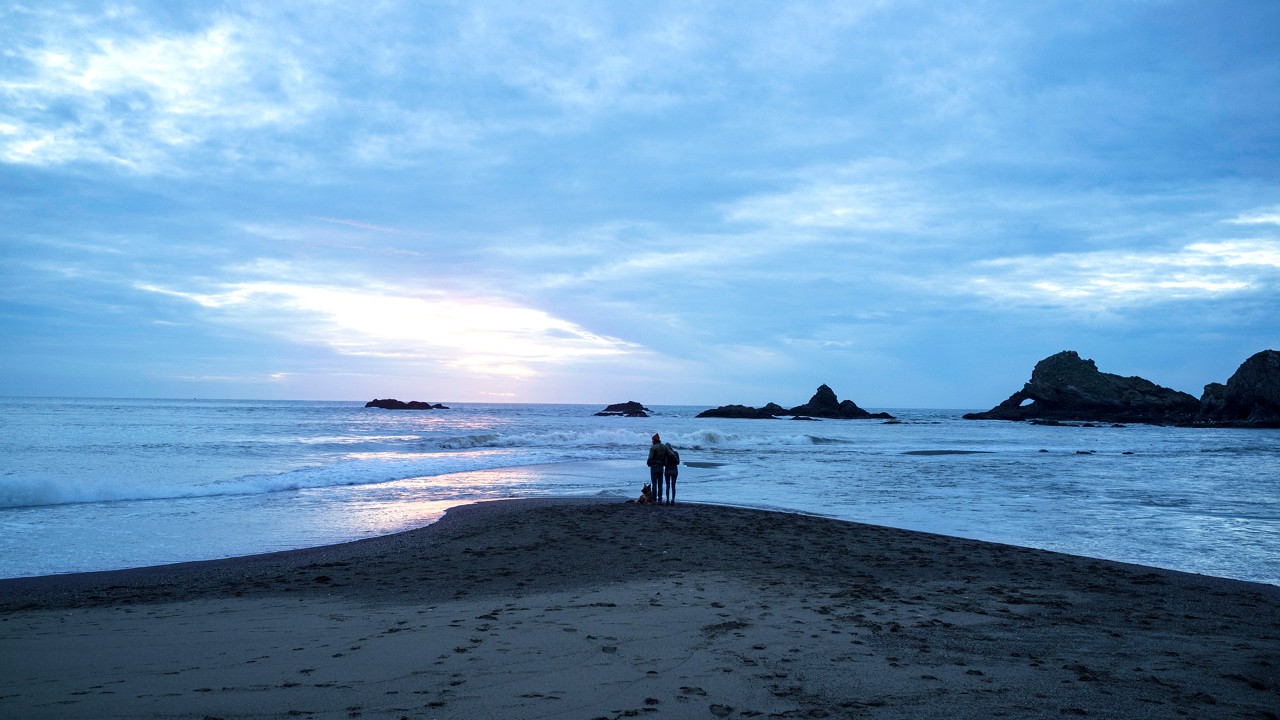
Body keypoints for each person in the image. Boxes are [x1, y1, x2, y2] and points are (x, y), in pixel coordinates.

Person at [646, 433, 668, 503]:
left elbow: (650, 457)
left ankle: (654, 499)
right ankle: (660, 499)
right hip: (661, 467)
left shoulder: (653, 447)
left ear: (654, 440)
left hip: (654, 467)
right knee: (660, 484)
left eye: (652, 440)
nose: (652, 441)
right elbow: (669, 455)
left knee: (654, 484)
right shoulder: (664, 447)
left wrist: (648, 463)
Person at [661, 439, 680, 504]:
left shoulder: (665, 454)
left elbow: (664, 463)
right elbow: (678, 462)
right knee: (673, 486)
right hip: (674, 470)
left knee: (668, 486)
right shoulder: (676, 453)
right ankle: (673, 499)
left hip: (667, 471)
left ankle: (667, 499)